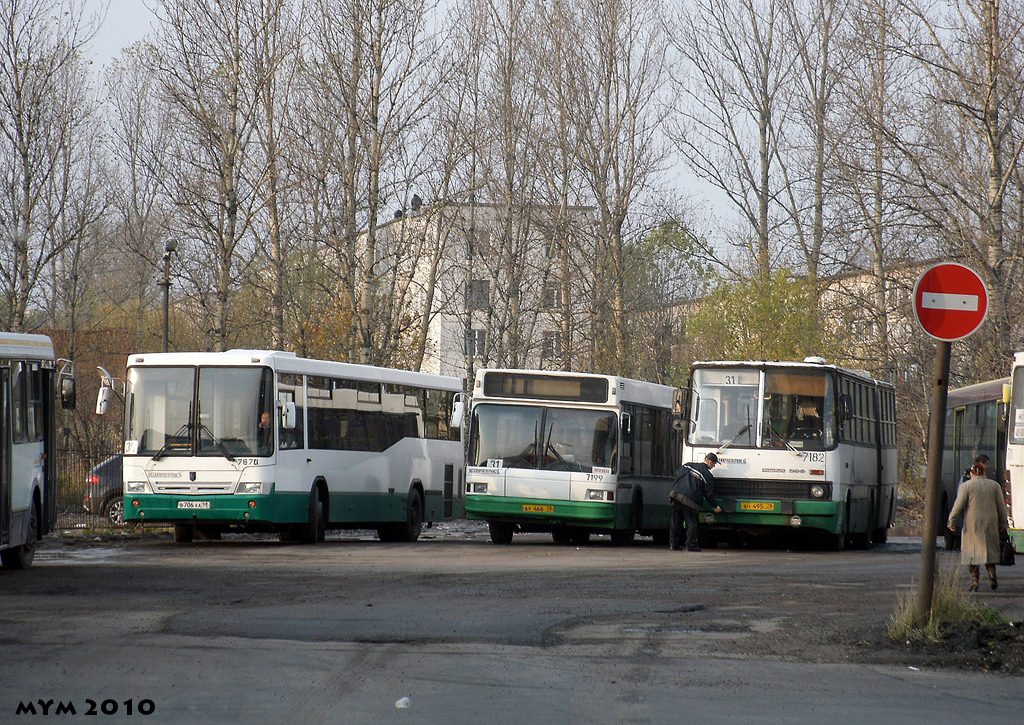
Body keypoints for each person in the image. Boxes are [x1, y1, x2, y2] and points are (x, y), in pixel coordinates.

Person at [947, 463, 1009, 591]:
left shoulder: (966, 486)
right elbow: (1002, 508)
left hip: (972, 523)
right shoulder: (994, 485)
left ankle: (975, 582)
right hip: (991, 522)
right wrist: (1003, 524)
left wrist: (951, 522)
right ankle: (992, 575)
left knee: (972, 553)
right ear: (983, 472)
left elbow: (958, 506)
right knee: (989, 550)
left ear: (972, 473)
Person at [668, 453, 723, 552]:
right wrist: (715, 506)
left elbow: (676, 474)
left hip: (676, 495)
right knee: (691, 523)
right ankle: (691, 545)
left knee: (675, 521)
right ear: (710, 462)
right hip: (690, 500)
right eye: (714, 464)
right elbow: (708, 494)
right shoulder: (707, 475)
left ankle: (673, 544)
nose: (714, 466)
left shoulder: (687, 465)